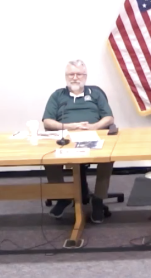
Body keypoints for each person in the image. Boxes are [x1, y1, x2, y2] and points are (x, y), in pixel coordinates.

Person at [42, 60, 115, 223]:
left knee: (108, 158)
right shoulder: (57, 95)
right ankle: (63, 197)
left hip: (93, 135)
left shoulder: (95, 94)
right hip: (66, 137)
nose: (75, 78)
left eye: (79, 74)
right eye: (71, 74)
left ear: (85, 76)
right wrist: (70, 127)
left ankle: (98, 199)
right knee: (49, 159)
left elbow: (109, 117)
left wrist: (94, 127)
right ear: (66, 76)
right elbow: (47, 121)